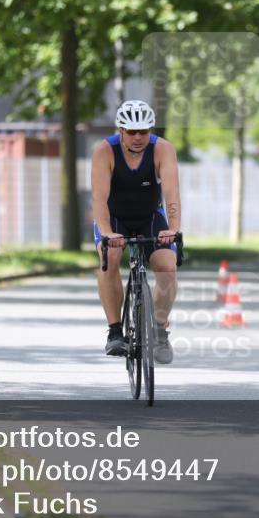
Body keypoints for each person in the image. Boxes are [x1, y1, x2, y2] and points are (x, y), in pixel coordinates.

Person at [91, 100, 181, 363]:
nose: (139, 137)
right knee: (109, 259)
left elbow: (172, 194)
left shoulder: (162, 149)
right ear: (121, 129)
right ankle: (115, 331)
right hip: (114, 218)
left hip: (149, 216)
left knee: (167, 265)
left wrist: (174, 229)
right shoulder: (105, 151)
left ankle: (160, 331)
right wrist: (107, 233)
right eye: (132, 131)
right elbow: (98, 198)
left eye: (143, 131)